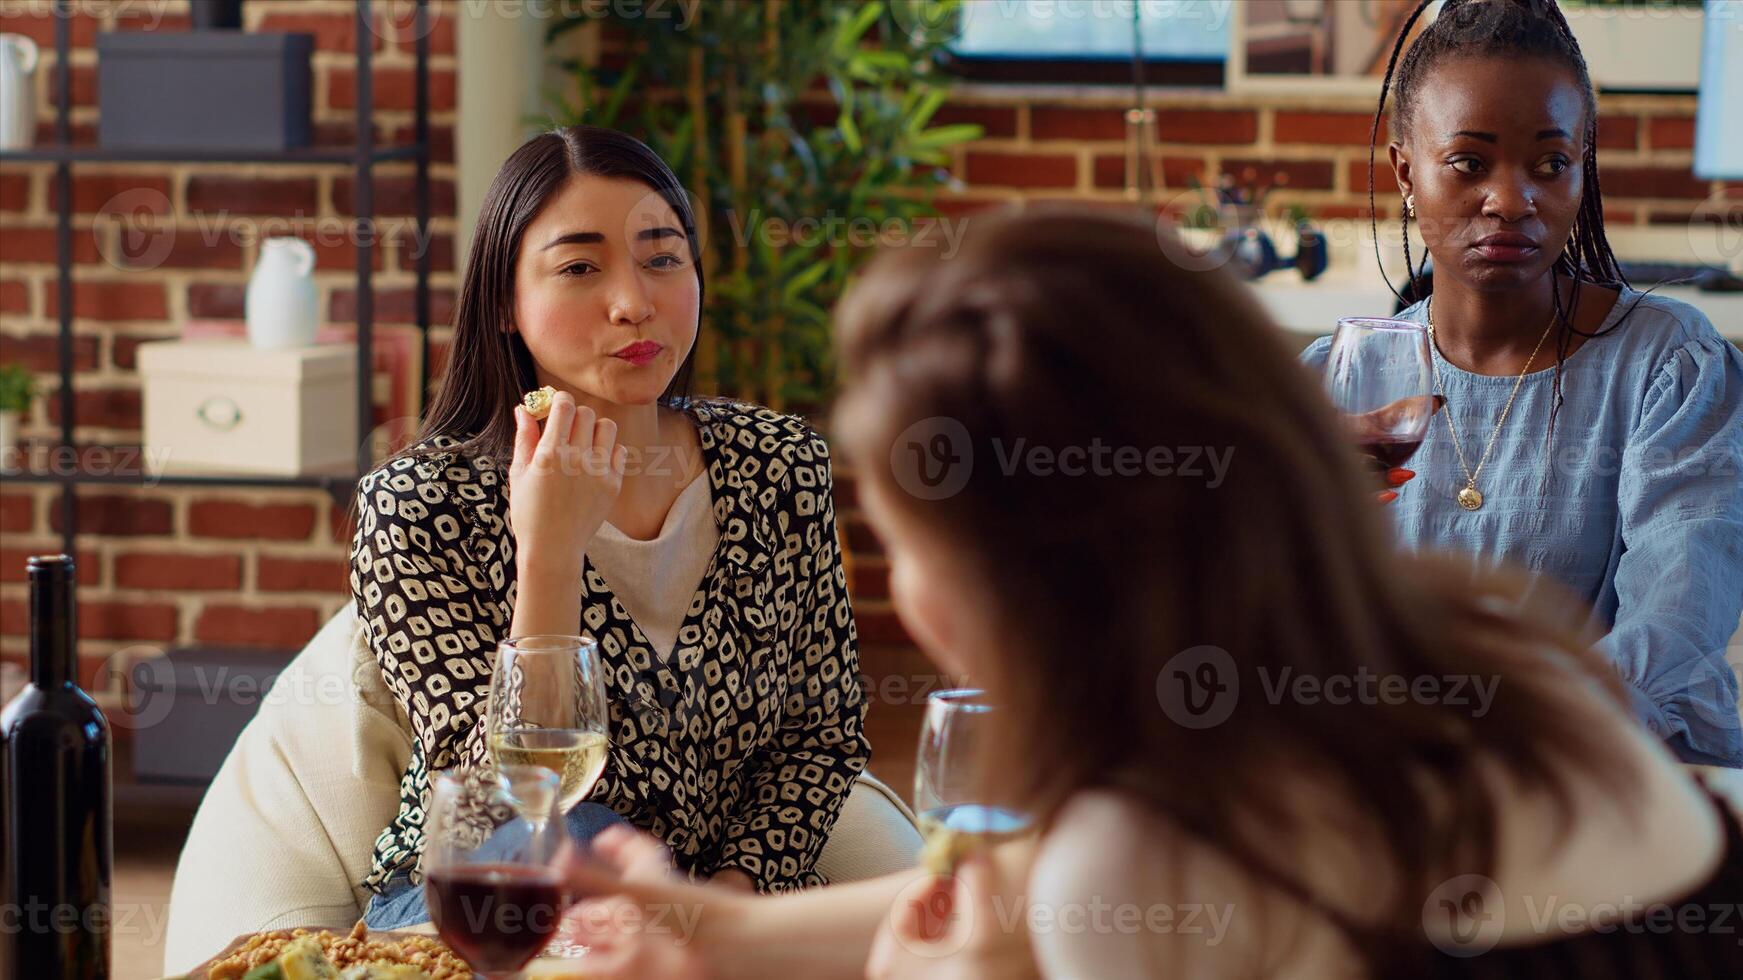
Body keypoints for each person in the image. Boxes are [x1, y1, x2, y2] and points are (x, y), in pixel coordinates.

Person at [546, 206, 1743, 979]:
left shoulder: (1150, 851)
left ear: (1026, 589)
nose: (906, 598)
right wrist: (706, 928)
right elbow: (1002, 890)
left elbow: (1055, 901)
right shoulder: (1489, 650)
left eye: (913, 548)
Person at [347, 125, 870, 925]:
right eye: (580, 267)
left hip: (725, 906)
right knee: (572, 846)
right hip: (494, 903)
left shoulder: (780, 465)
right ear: (503, 305)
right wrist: (549, 553)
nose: (635, 303)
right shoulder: (417, 506)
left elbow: (820, 735)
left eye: (663, 258)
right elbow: (507, 801)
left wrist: (722, 912)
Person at [1302, 0, 1743, 765]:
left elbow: (1676, 622)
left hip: (1616, 774)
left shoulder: (1666, 363)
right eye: (1469, 163)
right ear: (1405, 169)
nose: (1512, 201)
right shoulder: (1335, 381)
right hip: (1394, 779)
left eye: (1550, 165)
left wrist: (1495, 741)